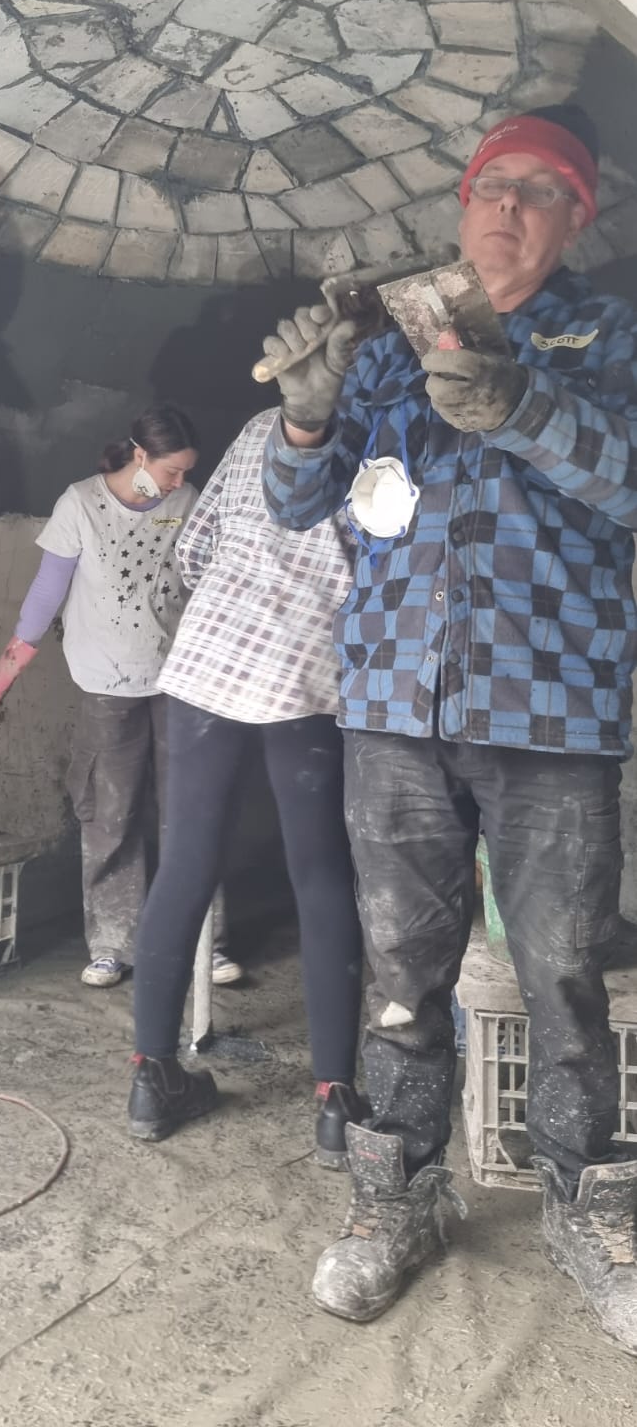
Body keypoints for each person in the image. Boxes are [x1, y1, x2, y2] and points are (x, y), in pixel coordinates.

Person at [260, 104, 637, 1353]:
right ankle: (399, 1194)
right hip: (394, 707)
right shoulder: (385, 351)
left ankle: (591, 1207)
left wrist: (523, 405)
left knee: (564, 970)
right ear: (463, 208)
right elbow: (299, 505)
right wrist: (305, 416)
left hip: (553, 710)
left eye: (539, 189)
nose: (506, 206)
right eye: (490, 185)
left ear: (576, 217)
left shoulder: (610, 336)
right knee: (403, 973)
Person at [126, 406, 365, 1156]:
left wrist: (247, 596)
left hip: (210, 658)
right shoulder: (386, 430)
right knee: (321, 874)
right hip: (309, 666)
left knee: (186, 863)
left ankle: (152, 1076)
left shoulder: (267, 421)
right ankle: (334, 1100)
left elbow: (195, 548)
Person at [0, 406, 238, 988]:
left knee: (190, 808)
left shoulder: (186, 501)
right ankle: (113, 943)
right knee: (110, 813)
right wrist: (7, 667)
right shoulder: (81, 503)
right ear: (140, 455)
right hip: (104, 679)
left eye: (185, 472)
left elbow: (207, 580)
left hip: (179, 679)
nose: (178, 482)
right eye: (170, 471)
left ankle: (205, 941)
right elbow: (48, 589)